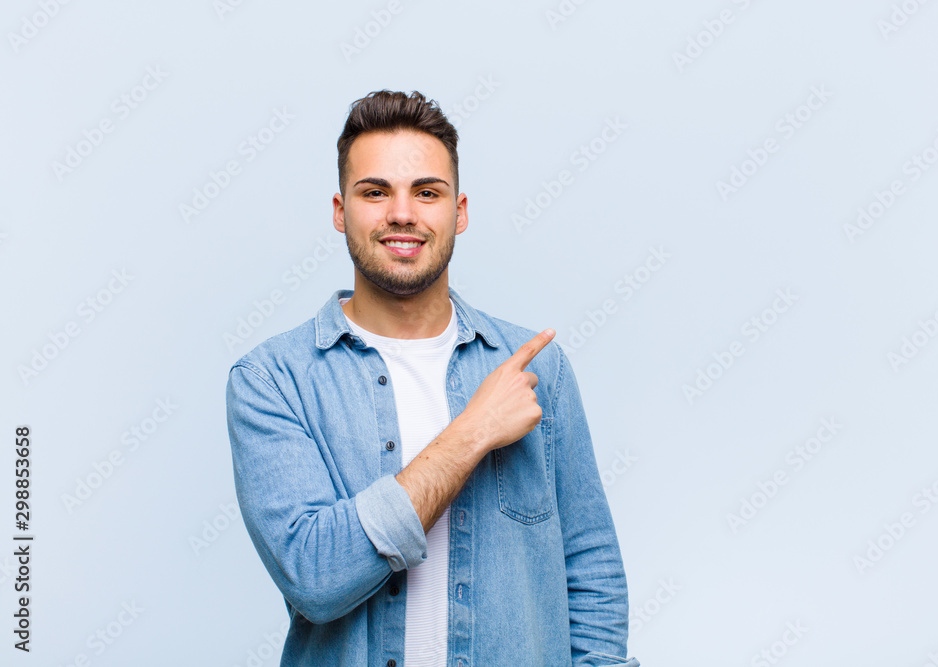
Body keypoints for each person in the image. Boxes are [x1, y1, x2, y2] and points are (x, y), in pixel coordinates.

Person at [226, 89, 639, 667]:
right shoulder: (272, 380)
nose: (402, 213)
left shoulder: (537, 369)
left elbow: (590, 568)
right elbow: (314, 577)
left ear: (459, 211)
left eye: (427, 192)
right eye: (376, 192)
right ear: (342, 210)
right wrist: (473, 433)